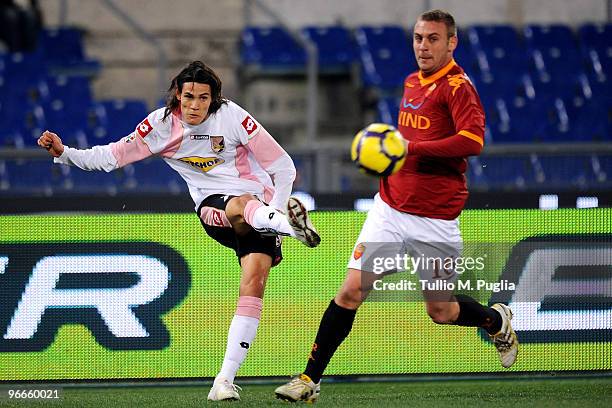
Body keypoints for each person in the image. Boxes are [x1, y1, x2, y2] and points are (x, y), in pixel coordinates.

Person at [37, 60, 320, 401]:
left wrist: (276, 206)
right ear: (177, 95)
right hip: (214, 208)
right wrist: (65, 153)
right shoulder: (159, 126)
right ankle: (289, 225)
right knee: (237, 204)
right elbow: (112, 157)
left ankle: (223, 381)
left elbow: (283, 167)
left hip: (262, 211)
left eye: (203, 98)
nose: (195, 105)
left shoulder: (232, 117)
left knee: (254, 282)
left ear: (214, 99)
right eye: (189, 97)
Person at [275, 9, 518, 403]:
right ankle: (308, 379)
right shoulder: (410, 81)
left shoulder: (457, 87)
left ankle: (494, 319)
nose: (423, 45)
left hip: (435, 220)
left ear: (452, 42)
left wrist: (410, 148)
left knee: (441, 311)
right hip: (389, 210)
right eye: (419, 37)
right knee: (351, 291)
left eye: (433, 38)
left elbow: (473, 142)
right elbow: (405, 148)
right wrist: (390, 158)